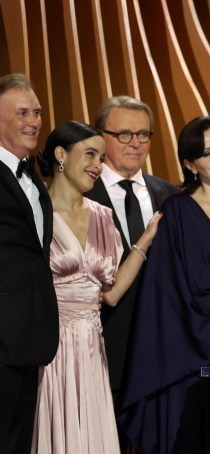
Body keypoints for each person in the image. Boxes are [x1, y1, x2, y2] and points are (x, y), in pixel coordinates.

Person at [119, 116, 210, 453]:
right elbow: (166, 295)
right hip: (195, 357)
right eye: (207, 152)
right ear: (189, 164)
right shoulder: (177, 211)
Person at [30, 121, 162, 453]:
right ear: (61, 155)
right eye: (90, 154)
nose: (97, 166)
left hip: (92, 350)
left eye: (101, 158)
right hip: (49, 352)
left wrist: (145, 239)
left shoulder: (103, 216)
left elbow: (113, 292)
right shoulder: (35, 212)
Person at [84, 96, 178, 451]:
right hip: (104, 353)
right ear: (100, 136)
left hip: (162, 354)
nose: (135, 143)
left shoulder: (171, 196)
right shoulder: (81, 194)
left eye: (143, 134)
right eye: (123, 134)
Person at [0, 74, 58, 454]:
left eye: (36, 112)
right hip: (1, 338)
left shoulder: (33, 177)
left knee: (19, 441)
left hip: (30, 338)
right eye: (22, 113)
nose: (34, 121)